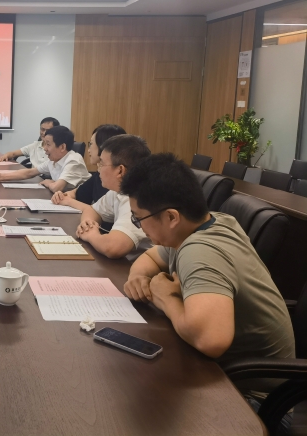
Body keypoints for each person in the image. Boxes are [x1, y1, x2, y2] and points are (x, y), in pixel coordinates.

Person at [121, 153, 294, 363]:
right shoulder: (208, 223)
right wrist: (138, 277)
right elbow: (151, 257)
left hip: (250, 379)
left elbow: (211, 340)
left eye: (138, 218)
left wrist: (166, 298)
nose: (139, 225)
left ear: (171, 217)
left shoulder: (201, 251)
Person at [53, 134, 151, 259]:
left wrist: (91, 235)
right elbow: (92, 210)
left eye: (102, 164)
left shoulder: (137, 197)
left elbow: (113, 247)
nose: (98, 169)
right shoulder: (119, 191)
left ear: (120, 170)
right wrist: (87, 224)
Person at [0, 125, 90, 193]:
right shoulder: (53, 161)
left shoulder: (73, 160)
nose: (44, 148)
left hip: (81, 204)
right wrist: (1, 176)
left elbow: (56, 188)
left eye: (48, 144)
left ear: (62, 147)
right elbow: (29, 172)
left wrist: (50, 183)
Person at [66, 124, 126, 205]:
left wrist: (68, 201)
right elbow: (78, 194)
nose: (88, 150)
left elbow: (96, 211)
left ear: (104, 146)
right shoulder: (99, 174)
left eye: (91, 144)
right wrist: (63, 196)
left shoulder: (117, 181)